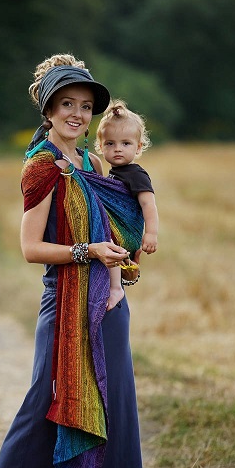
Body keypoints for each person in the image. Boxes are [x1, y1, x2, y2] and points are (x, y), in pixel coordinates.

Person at [0, 54, 148, 468]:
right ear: (48, 109)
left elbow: (119, 223)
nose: (77, 114)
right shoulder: (42, 165)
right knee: (43, 404)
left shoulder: (92, 163)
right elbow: (29, 248)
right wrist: (87, 252)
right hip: (65, 299)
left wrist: (122, 250)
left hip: (107, 303)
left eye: (86, 106)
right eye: (67, 104)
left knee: (109, 407)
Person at [95, 99, 159, 311]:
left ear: (139, 147)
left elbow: (148, 204)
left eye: (126, 143)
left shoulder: (136, 174)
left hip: (127, 234)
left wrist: (151, 234)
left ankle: (116, 288)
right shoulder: (113, 174)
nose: (117, 149)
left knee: (110, 241)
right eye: (110, 144)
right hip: (118, 233)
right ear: (101, 147)